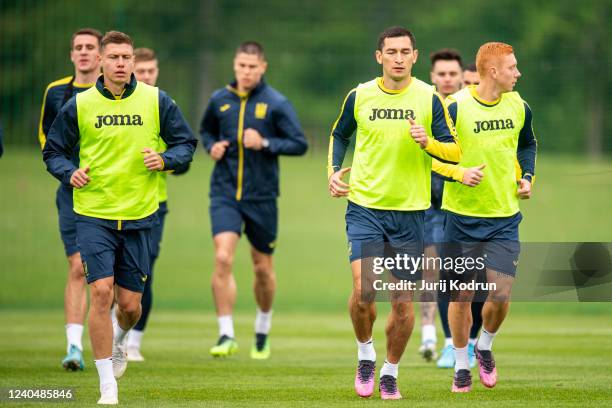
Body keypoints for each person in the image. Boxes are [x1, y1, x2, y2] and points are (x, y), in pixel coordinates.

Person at [43, 31, 197, 404]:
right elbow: (54, 151)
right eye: (113, 57)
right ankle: (106, 387)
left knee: (129, 306)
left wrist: (164, 160)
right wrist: (69, 172)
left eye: (126, 57)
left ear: (132, 62)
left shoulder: (156, 100)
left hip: (140, 215)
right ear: (100, 61)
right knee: (100, 291)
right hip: (93, 213)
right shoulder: (80, 105)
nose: (121, 64)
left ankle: (121, 339)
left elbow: (186, 144)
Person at [328, 26, 461, 400]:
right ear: (379, 56)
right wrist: (333, 172)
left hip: (410, 215)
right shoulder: (360, 95)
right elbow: (340, 135)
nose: (399, 58)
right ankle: (366, 354)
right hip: (365, 207)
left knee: (403, 305)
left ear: (415, 57)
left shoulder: (429, 98)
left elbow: (454, 151)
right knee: (363, 290)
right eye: (392, 52)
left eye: (405, 51)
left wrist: (428, 142)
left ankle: (390, 371)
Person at [200, 41, 307, 360]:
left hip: (261, 198)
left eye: (252, 66)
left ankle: (262, 329)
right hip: (224, 194)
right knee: (222, 258)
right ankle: (226, 333)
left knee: (262, 268)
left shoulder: (276, 103)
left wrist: (265, 142)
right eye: (241, 65)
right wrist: (211, 147)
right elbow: (205, 132)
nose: (246, 71)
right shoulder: (219, 100)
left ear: (263, 67)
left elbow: (299, 144)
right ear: (235, 65)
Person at [441, 42, 537, 392]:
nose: (518, 73)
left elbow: (528, 144)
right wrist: (458, 173)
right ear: (493, 71)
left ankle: (485, 346)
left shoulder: (519, 105)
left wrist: (527, 177)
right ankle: (462, 364)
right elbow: (431, 157)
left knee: (501, 292)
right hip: (461, 217)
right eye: (512, 67)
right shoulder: (454, 106)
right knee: (462, 294)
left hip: (504, 217)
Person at [38, 27, 102, 371]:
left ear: (101, 55)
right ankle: (74, 347)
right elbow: (48, 144)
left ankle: (117, 341)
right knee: (78, 266)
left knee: (115, 282)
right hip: (72, 192)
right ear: (71, 54)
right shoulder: (56, 93)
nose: (83, 52)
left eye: (90, 47)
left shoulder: (117, 92)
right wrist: (69, 173)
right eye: (78, 47)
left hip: (113, 195)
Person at [124, 47, 190, 362]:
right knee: (107, 277)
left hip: (152, 205)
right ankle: (111, 334)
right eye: (143, 71)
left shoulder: (162, 106)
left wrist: (164, 160)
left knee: (142, 271)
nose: (147, 76)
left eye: (152, 71)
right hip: (108, 204)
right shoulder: (120, 106)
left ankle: (132, 340)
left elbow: (185, 155)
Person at [425, 50, 485, 370]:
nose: (449, 80)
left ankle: (472, 341)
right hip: (434, 206)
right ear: (433, 76)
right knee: (445, 273)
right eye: (443, 74)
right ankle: (451, 344)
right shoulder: (426, 108)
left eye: (455, 76)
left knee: (476, 276)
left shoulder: (469, 109)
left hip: (472, 203)